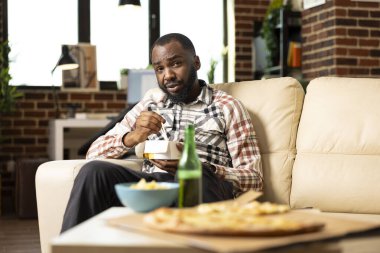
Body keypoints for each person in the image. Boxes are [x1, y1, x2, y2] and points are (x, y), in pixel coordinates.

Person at [61, 33, 263, 232]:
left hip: (205, 185)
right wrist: (133, 136)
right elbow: (93, 153)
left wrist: (198, 166)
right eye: (159, 69)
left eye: (175, 64)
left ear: (196, 62)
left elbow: (254, 179)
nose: (167, 75)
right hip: (156, 189)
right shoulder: (150, 105)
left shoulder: (228, 107)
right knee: (93, 171)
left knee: (194, 175)